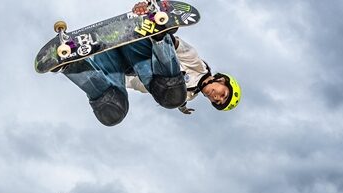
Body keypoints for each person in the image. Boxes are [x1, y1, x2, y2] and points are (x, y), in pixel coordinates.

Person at [60, 2, 240, 126]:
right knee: (174, 94)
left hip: (115, 60)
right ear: (222, 81)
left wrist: (105, 79)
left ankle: (69, 64)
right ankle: (159, 33)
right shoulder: (198, 66)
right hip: (139, 45)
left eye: (217, 101)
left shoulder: (188, 96)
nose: (216, 97)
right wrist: (150, 17)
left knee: (113, 112)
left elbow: (138, 84)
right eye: (223, 94)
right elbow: (178, 46)